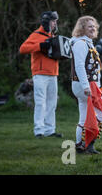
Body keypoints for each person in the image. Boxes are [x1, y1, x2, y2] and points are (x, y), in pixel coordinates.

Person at [19, 11, 63, 139]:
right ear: (46, 22)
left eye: (56, 21)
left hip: (53, 74)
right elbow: (23, 49)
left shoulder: (53, 36)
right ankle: (39, 130)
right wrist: (40, 45)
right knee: (40, 102)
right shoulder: (36, 35)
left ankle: (50, 130)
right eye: (53, 21)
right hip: (40, 74)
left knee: (52, 103)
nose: (55, 23)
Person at [70, 16, 102, 154]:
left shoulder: (87, 43)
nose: (93, 28)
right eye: (89, 26)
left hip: (88, 84)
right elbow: (80, 66)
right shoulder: (81, 43)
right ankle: (87, 143)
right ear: (82, 29)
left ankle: (82, 145)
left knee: (84, 116)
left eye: (94, 26)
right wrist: (86, 86)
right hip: (84, 85)